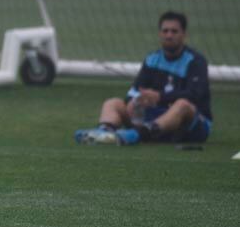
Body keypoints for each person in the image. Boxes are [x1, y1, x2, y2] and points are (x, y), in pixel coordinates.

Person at [75, 11, 212, 146]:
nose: (169, 35)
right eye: (165, 31)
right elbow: (135, 90)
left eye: (174, 31)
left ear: (184, 34)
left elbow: (195, 95)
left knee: (182, 104)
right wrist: (134, 101)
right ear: (160, 34)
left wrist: (159, 97)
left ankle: (141, 134)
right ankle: (104, 133)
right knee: (113, 103)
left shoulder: (195, 61)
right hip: (155, 118)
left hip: (191, 125)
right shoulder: (152, 59)